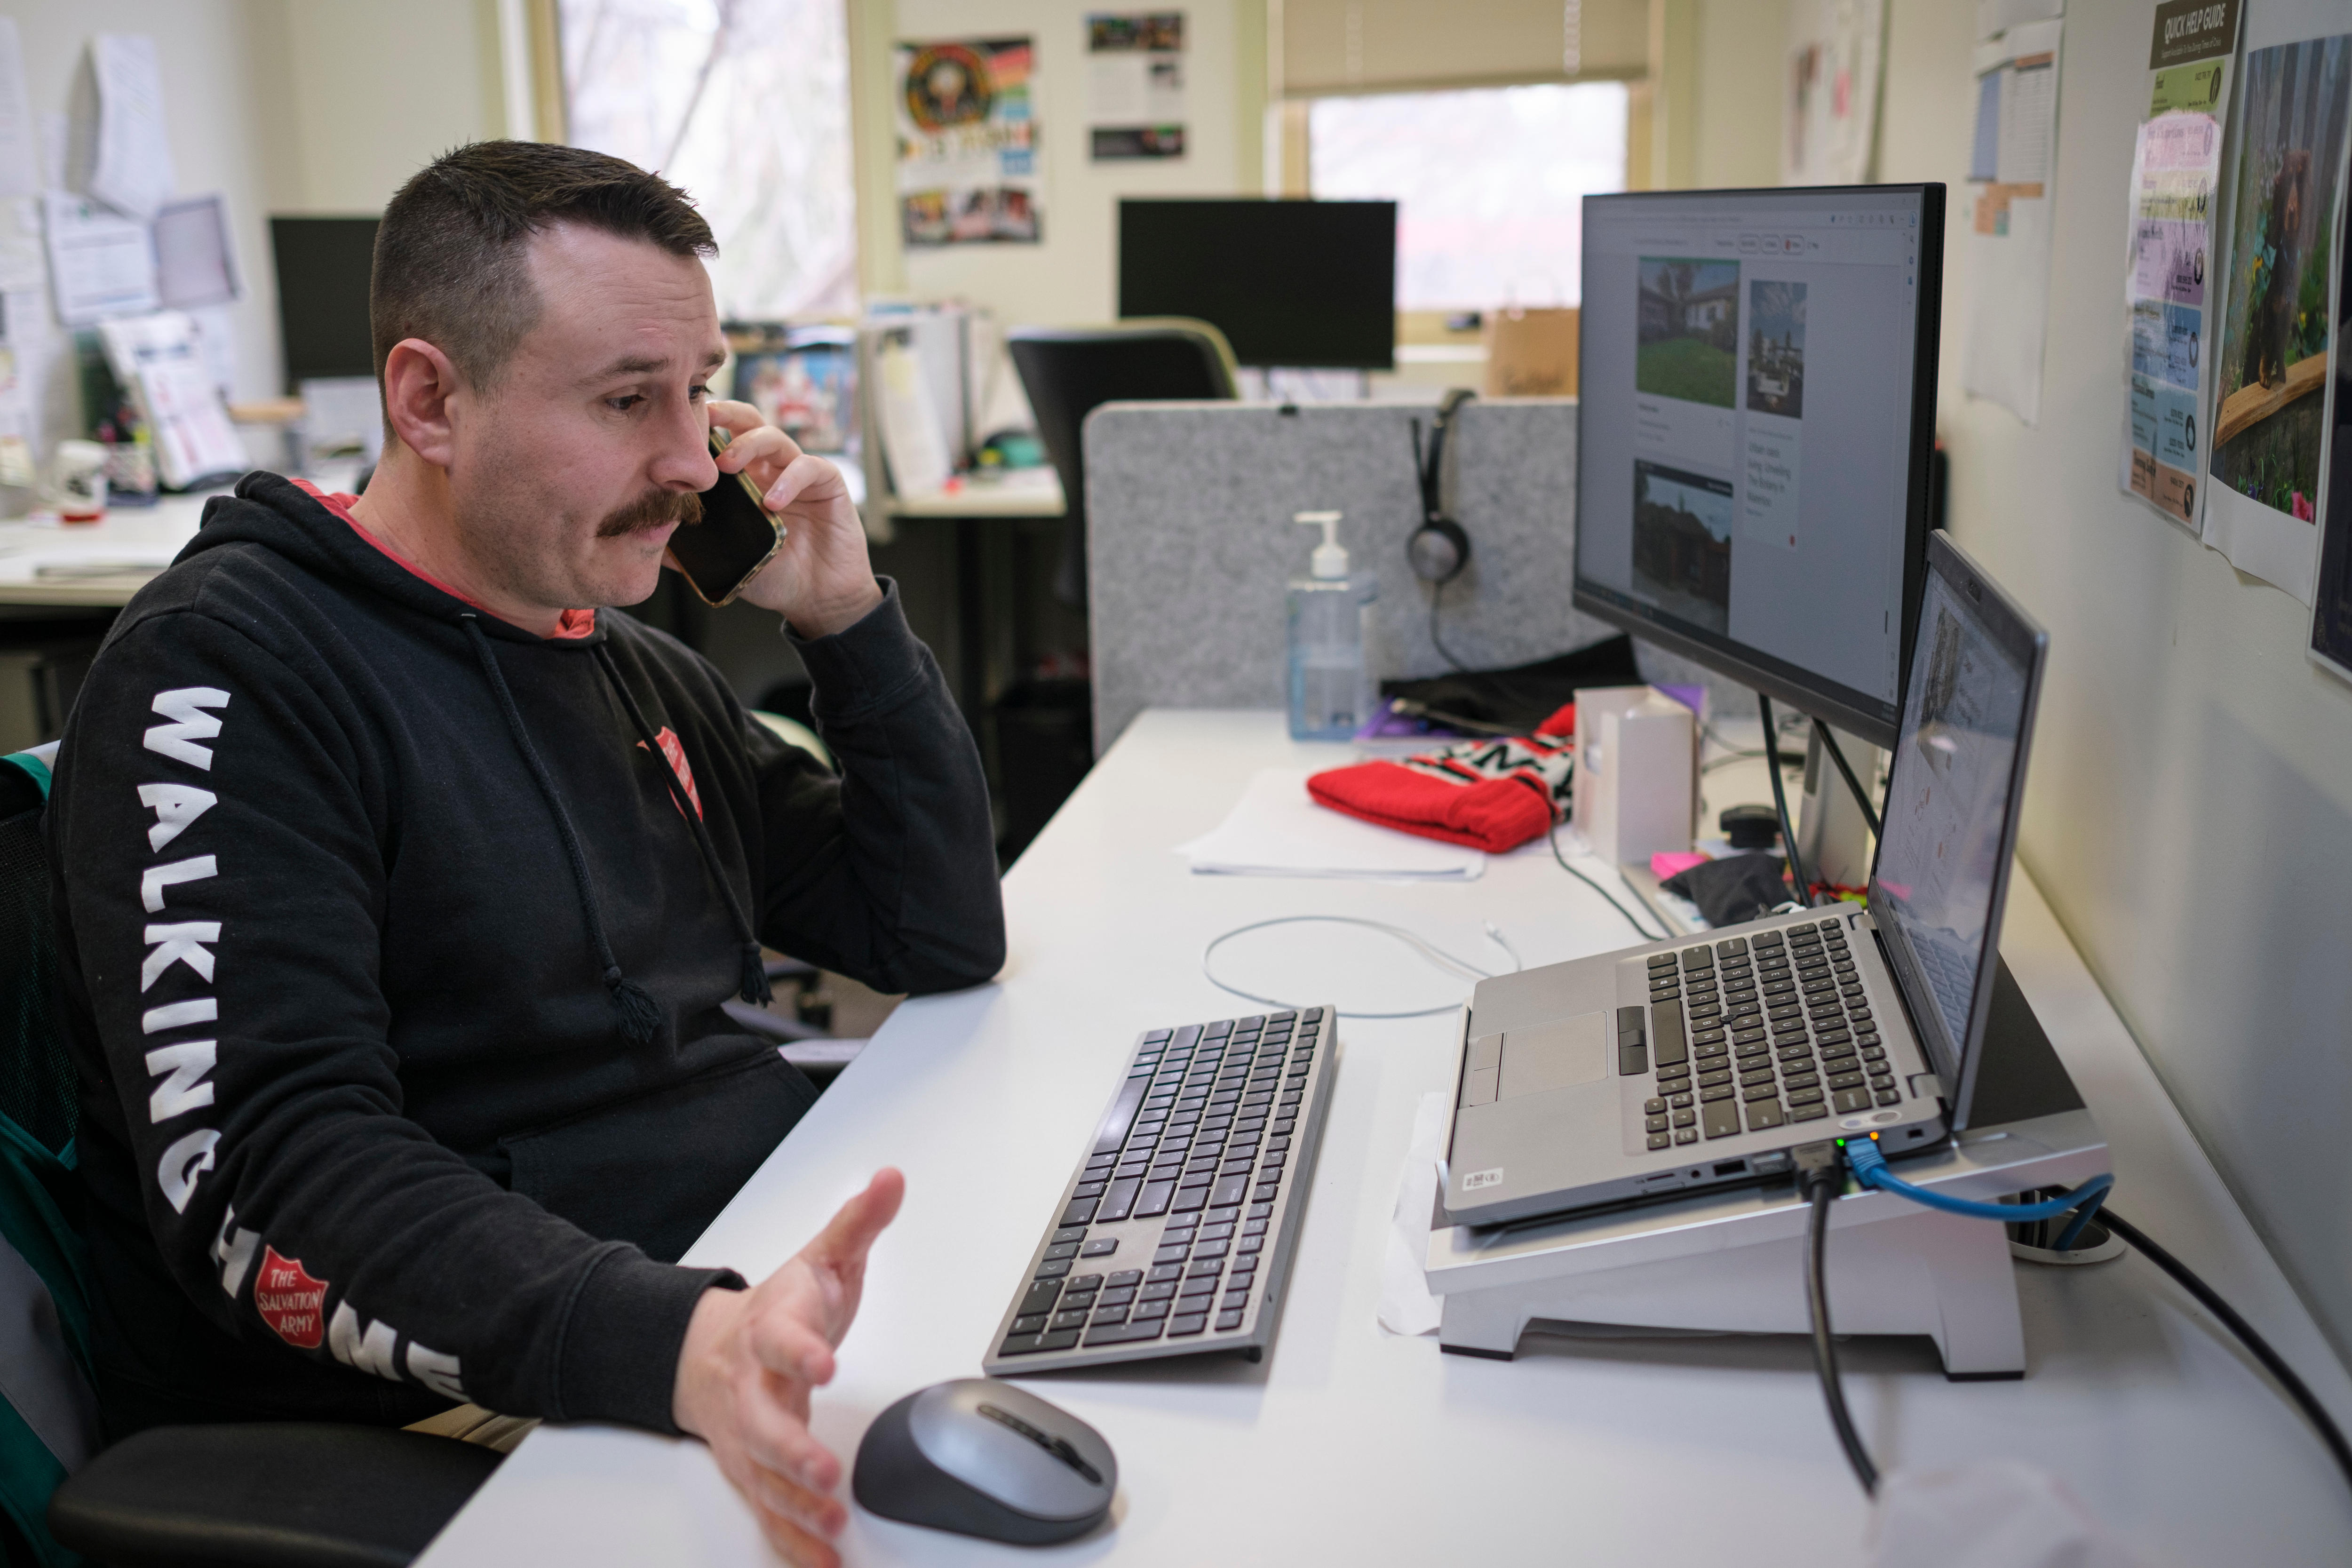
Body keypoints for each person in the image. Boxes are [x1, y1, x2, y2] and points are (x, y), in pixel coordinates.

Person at [47, 141, 1003, 1565]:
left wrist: (846, 622)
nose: (691, 464)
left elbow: (931, 931)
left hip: (732, 1279)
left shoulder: (623, 660)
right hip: (488, 1392)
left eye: (697, 393)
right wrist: (678, 1341)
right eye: (627, 401)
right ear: (430, 399)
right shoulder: (232, 674)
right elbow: (273, 1171)